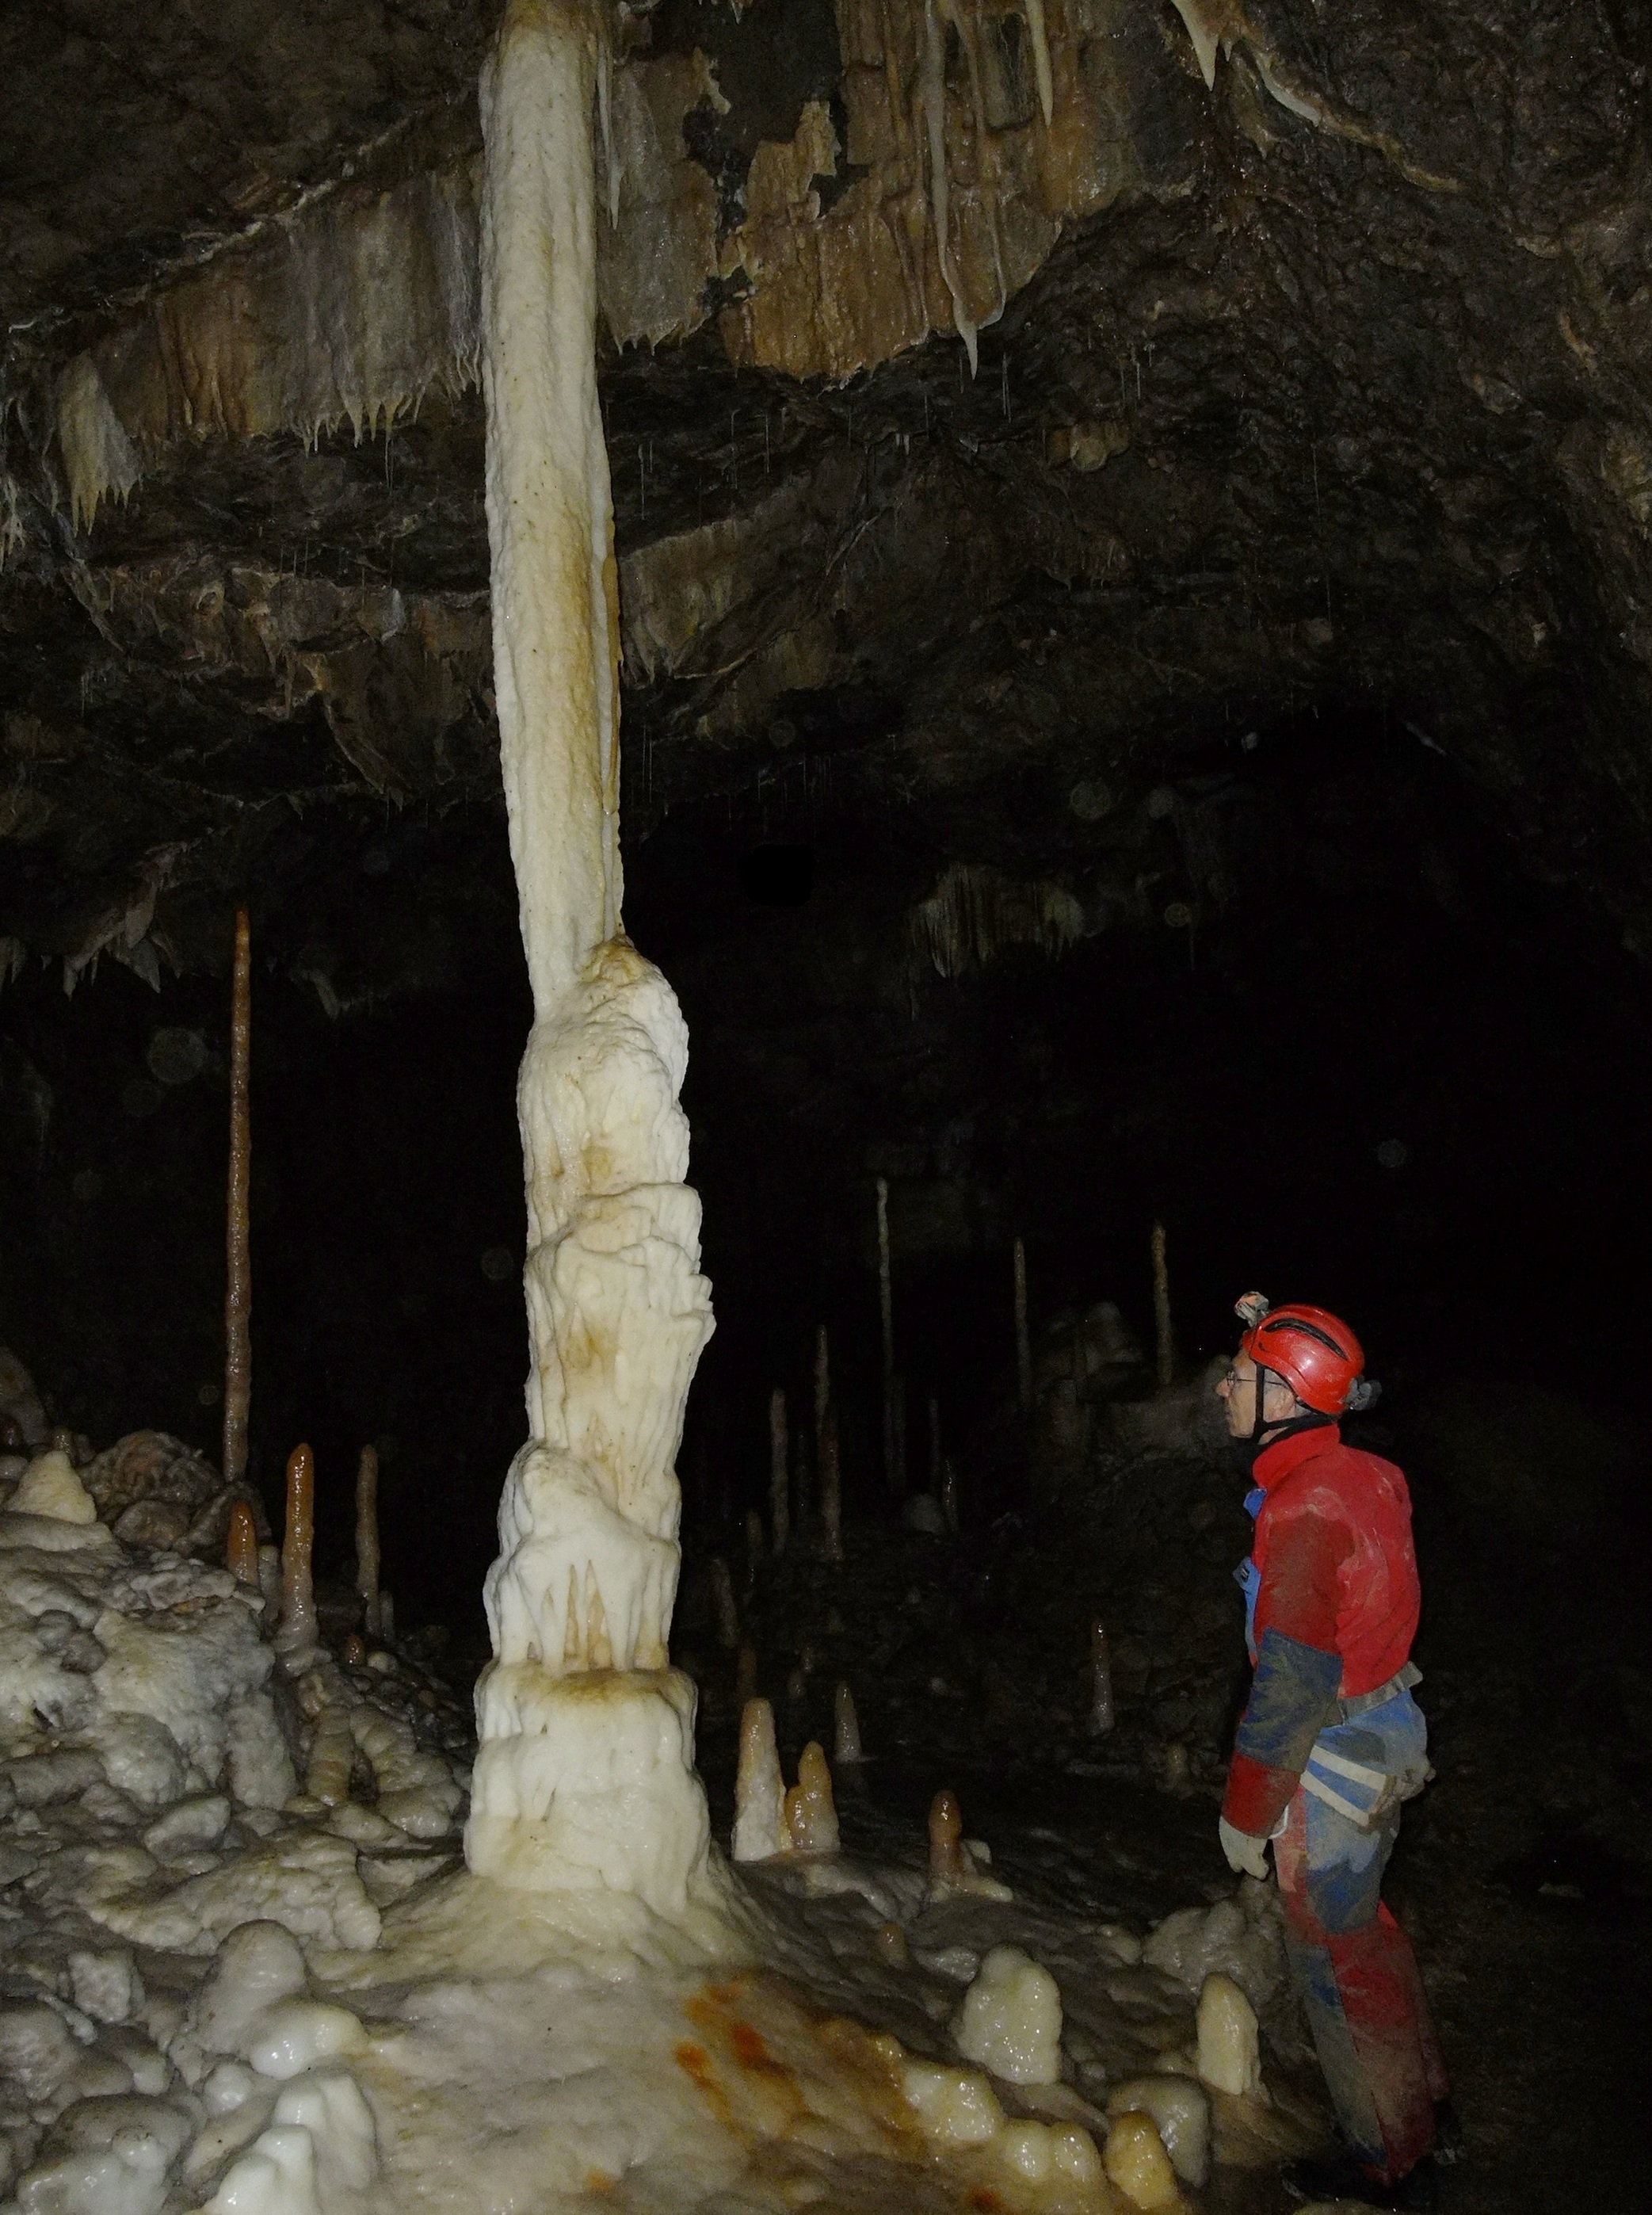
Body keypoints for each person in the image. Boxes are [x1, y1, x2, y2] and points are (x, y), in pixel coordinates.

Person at [1215, 1293, 1453, 2212]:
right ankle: (1425, 2104)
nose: (1223, 1387)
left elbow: (1291, 1686)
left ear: (1284, 1398)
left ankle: (1386, 2158)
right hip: (1390, 1723)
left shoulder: (1304, 1511)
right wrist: (1265, 1318)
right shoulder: (1362, 1473)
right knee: (1369, 1932)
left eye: (1241, 1375)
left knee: (1332, 1957)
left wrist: (1248, 1809)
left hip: (1333, 1756)